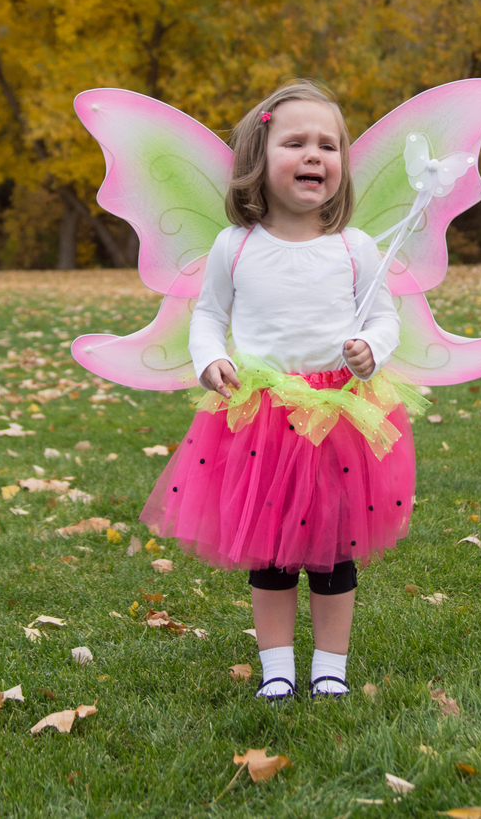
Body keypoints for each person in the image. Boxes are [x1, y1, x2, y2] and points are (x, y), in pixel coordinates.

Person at [139, 80, 417, 701]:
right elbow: (208, 315)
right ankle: (277, 668)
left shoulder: (355, 249)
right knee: (270, 553)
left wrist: (373, 351)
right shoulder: (234, 247)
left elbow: (385, 318)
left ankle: (330, 667)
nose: (315, 155)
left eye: (329, 145)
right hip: (259, 416)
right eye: (296, 143)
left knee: (333, 549)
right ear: (257, 161)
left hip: (338, 413)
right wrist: (208, 357)